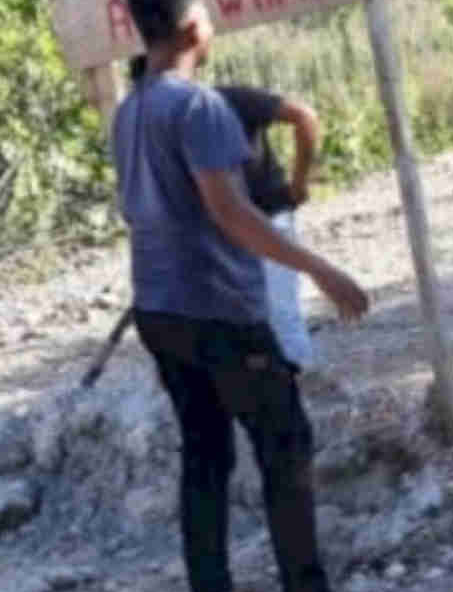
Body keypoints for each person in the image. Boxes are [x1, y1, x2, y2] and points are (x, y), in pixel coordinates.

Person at [114, 0, 370, 592]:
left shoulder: (128, 110)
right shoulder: (197, 107)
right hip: (218, 311)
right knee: (286, 448)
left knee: (204, 452)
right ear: (195, 25)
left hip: (159, 309)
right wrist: (321, 268)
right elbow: (232, 213)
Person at [128, 55, 324, 373]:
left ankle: (299, 388)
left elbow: (304, 116)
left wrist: (300, 184)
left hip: (266, 219)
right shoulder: (159, 127)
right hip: (221, 238)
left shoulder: (228, 100)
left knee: (281, 315)